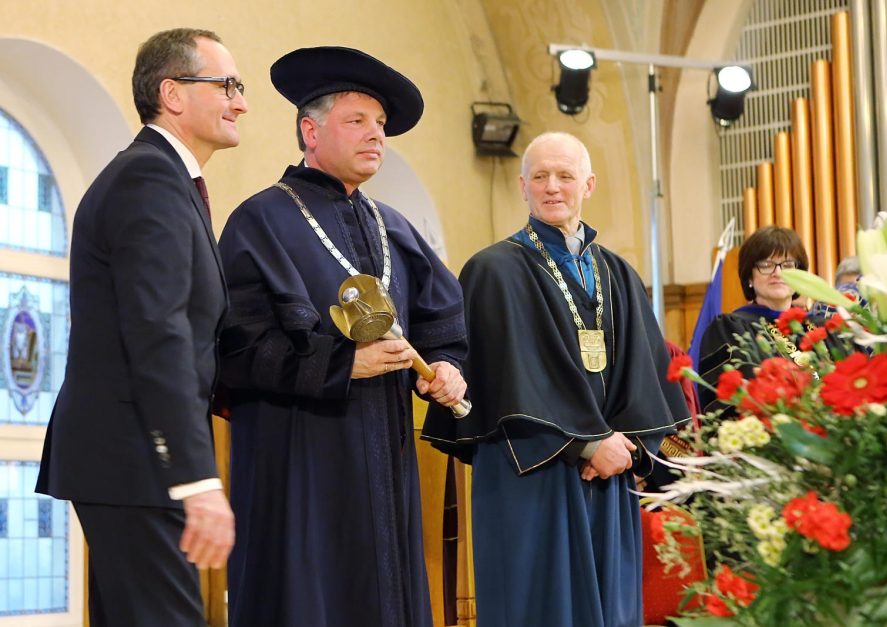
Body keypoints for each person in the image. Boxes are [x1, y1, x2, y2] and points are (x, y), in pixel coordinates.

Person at [217, 46, 467, 627]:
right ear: (310, 129)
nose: (375, 136)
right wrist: (342, 365)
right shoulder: (260, 222)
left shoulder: (395, 228)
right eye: (357, 122)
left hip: (387, 454)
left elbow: (443, 325)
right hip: (299, 458)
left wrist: (448, 367)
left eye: (380, 126)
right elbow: (235, 350)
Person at [422, 132, 687, 627]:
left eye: (565, 175)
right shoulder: (492, 270)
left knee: (612, 609)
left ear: (588, 183)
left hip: (611, 475)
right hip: (530, 470)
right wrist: (587, 445)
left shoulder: (620, 274)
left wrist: (626, 447)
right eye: (540, 176)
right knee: (540, 609)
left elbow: (648, 373)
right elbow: (508, 379)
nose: (552, 187)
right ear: (522, 186)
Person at [35, 28, 247, 626]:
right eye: (227, 85)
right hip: (134, 458)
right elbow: (158, 332)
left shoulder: (168, 182)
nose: (241, 101)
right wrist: (196, 476)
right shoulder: (148, 179)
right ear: (173, 94)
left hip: (128, 458)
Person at [697, 225, 811, 413]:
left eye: (788, 265)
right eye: (766, 265)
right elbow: (726, 405)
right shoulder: (729, 330)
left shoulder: (818, 328)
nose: (778, 273)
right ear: (749, 276)